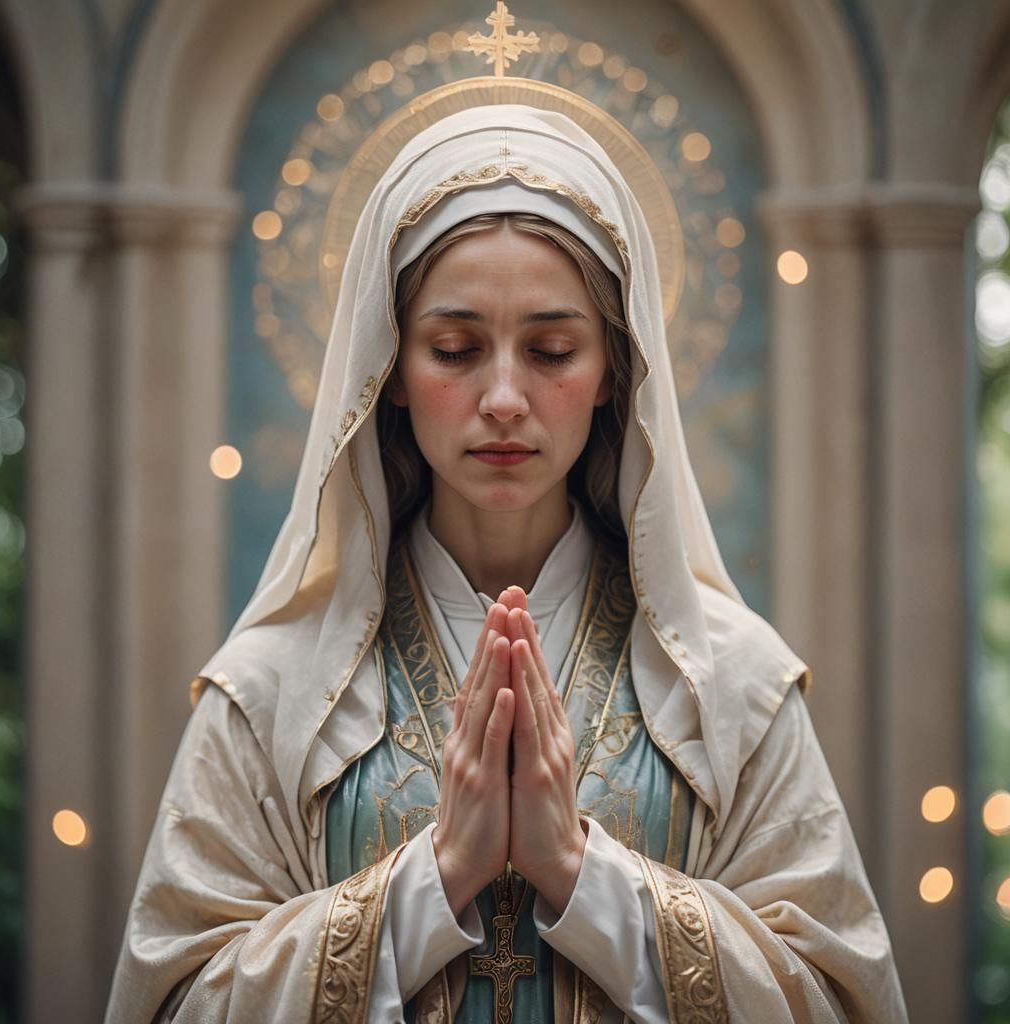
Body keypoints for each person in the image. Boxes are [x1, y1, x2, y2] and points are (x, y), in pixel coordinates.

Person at [105, 103, 908, 1022]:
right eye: (454, 348)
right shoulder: (270, 689)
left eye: (552, 349)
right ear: (391, 369)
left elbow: (839, 998)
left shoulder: (734, 685)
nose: (501, 398)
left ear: (615, 367)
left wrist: (581, 872)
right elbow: (173, 998)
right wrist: (433, 880)